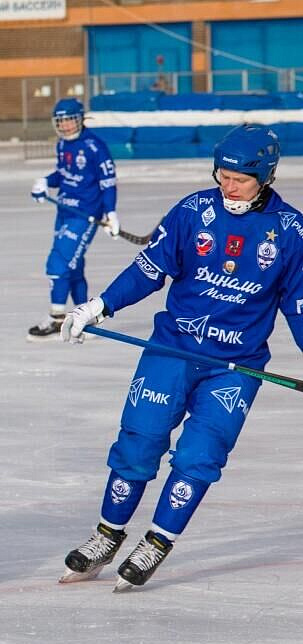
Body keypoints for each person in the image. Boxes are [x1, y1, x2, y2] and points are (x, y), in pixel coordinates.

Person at [58, 125, 303, 590]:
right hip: (172, 349)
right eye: (222, 175)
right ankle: (107, 534)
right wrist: (99, 305)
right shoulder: (193, 210)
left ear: (266, 177)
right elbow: (150, 268)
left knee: (200, 455)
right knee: (139, 442)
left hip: (235, 367)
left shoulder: (291, 231)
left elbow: (299, 306)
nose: (228, 185)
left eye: (239, 179)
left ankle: (157, 541)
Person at [27, 97, 121, 341]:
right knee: (74, 268)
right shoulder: (61, 144)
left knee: (57, 264)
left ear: (80, 119)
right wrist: (46, 182)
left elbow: (108, 183)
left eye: (70, 119)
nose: (66, 125)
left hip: (85, 216)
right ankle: (84, 317)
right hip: (65, 211)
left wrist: (110, 213)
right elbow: (64, 173)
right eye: (61, 121)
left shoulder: (95, 147)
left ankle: (57, 317)